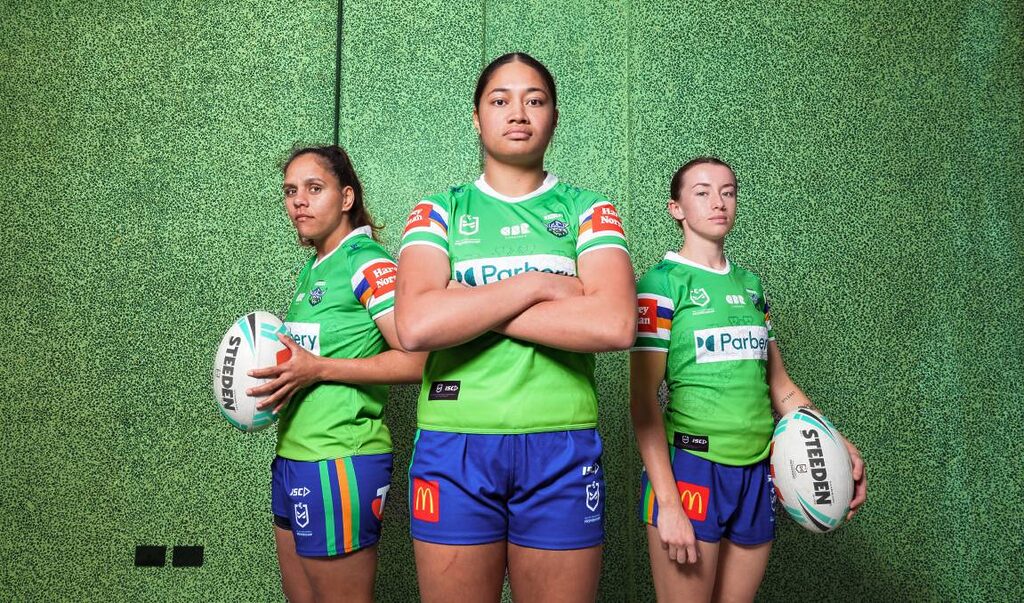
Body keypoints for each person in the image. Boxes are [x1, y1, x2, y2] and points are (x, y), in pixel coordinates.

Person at [394, 53, 636, 603]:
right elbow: (415, 324)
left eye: (535, 99)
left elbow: (616, 323)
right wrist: (537, 282)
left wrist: (466, 305)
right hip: (455, 447)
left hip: (561, 445)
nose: (517, 112)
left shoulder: (588, 210)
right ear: (477, 118)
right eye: (499, 100)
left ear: (554, 117)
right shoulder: (439, 211)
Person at [629, 157, 867, 602]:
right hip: (691, 470)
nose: (718, 202)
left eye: (728, 191)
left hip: (759, 470)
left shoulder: (751, 285)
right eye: (701, 192)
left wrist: (836, 443)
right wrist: (668, 503)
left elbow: (779, 385)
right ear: (675, 208)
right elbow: (643, 402)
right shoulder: (661, 285)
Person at [246, 145, 425, 603]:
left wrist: (318, 369)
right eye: (290, 191)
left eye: (314, 188)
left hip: (340, 457)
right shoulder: (316, 268)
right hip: (294, 456)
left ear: (346, 198)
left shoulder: (366, 262)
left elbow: (418, 359)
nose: (299, 201)